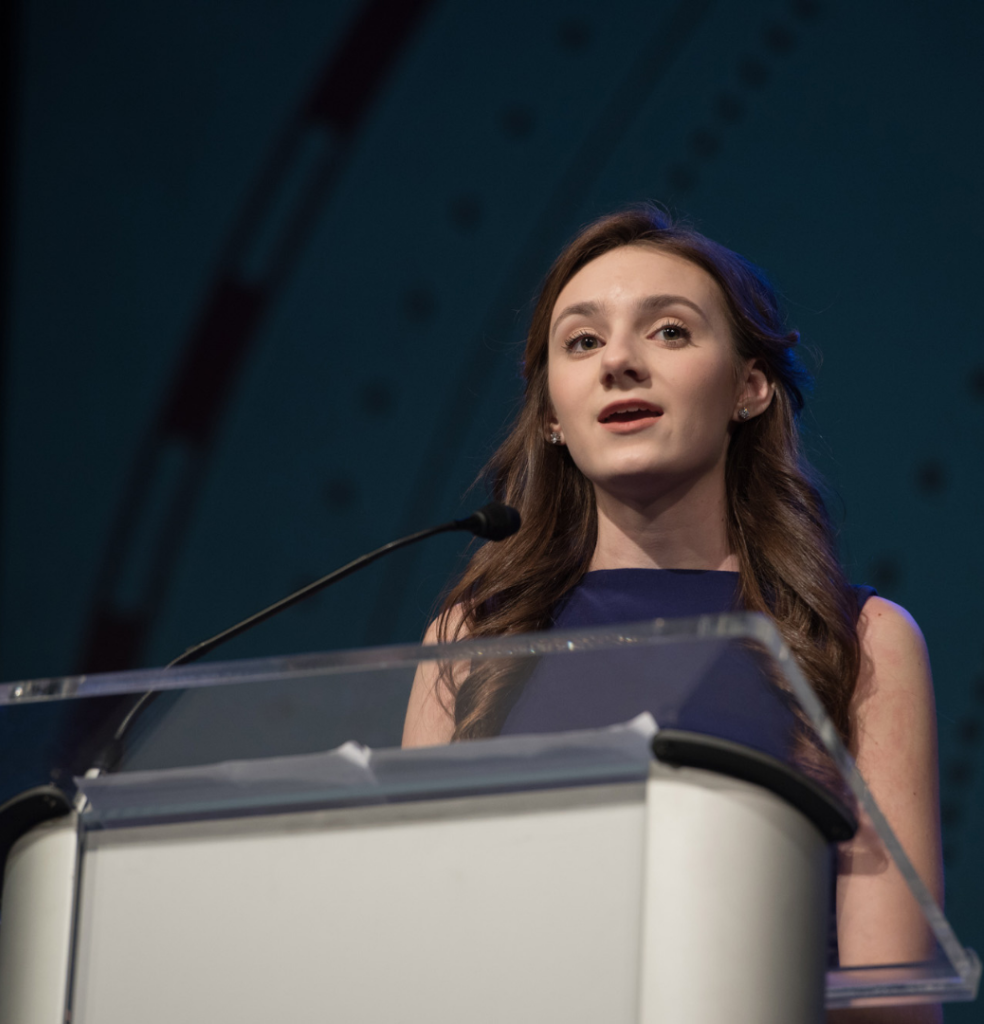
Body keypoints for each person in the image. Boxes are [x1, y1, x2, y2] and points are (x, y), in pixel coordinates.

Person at [401, 206, 942, 1021]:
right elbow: (415, 950)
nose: (619, 360)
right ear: (551, 413)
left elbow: (890, 1000)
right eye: (582, 342)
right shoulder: (471, 638)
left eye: (670, 333)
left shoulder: (860, 641)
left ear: (749, 387)